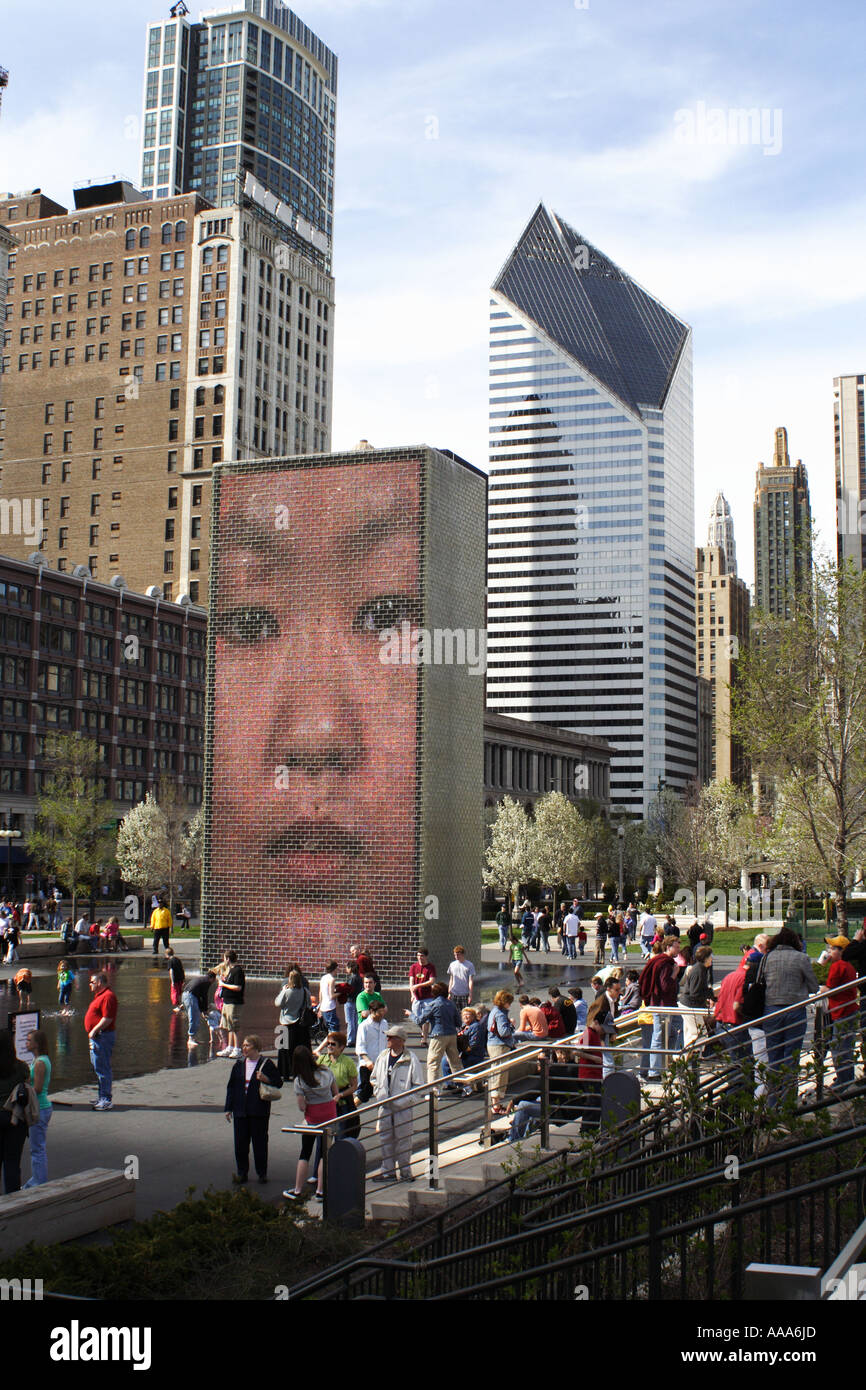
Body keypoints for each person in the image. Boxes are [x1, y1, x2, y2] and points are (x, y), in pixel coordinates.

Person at [762, 926, 819, 1107]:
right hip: (795, 1010)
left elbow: (760, 982)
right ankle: (788, 1103)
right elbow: (814, 987)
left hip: (771, 1010)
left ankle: (772, 1102)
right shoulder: (801, 958)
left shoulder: (767, 958)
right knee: (791, 1057)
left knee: (774, 1058)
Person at [224, 1034, 282, 1185]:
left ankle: (262, 1173)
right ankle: (242, 1172)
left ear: (256, 1048)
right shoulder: (239, 1064)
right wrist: (228, 1108)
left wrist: (266, 1079)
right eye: (243, 1045)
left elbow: (278, 1082)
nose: (244, 1048)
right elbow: (231, 1087)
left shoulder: (267, 1064)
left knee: (260, 1143)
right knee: (240, 1144)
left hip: (258, 1110)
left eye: (247, 1046)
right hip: (241, 1110)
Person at [283, 1045, 339, 1201]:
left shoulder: (300, 1080)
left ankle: (298, 1189)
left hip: (312, 1117)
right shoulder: (326, 1071)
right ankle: (321, 1191)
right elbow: (335, 1092)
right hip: (330, 1114)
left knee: (305, 1152)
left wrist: (309, 1102)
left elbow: (302, 1107)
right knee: (324, 1154)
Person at [371, 1025, 423, 1184]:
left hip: (403, 1108)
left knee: (403, 1140)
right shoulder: (382, 1056)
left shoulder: (411, 1058)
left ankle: (405, 1171)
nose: (387, 1039)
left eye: (391, 1037)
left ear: (400, 1040)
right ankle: (388, 1171)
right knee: (385, 1139)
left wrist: (406, 1101)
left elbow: (418, 1086)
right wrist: (378, 1092)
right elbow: (374, 1078)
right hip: (385, 1106)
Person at [639, 936, 684, 1081]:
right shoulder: (666, 964)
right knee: (658, 1036)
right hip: (663, 1005)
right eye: (676, 947)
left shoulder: (660, 961)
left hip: (663, 1004)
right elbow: (665, 986)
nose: (678, 950)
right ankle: (654, 1072)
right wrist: (675, 974)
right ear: (668, 947)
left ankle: (665, 1062)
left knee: (673, 1031)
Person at [820, 936, 859, 1092]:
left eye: (833, 948)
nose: (830, 951)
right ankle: (846, 1076)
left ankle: (843, 1080)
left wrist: (822, 988)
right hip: (849, 1010)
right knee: (846, 1045)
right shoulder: (849, 966)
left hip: (841, 1011)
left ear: (841, 951)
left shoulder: (837, 967)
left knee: (838, 1047)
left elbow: (830, 988)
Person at [411, 982, 462, 1085]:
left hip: (438, 1036)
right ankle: (465, 1087)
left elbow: (420, 1021)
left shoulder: (433, 1004)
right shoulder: (451, 1004)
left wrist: (410, 1014)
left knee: (433, 1063)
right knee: (455, 1063)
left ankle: (434, 1090)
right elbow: (458, 1023)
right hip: (452, 1035)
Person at [0, 1031, 29, 1193]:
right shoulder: (21, 1068)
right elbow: (27, 1082)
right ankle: (13, 1202)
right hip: (15, 1117)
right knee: (12, 1163)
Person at [316, 1031, 360, 1139]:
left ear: (341, 1047)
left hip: (342, 1103)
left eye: (333, 1044)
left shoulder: (347, 1062)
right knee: (323, 1137)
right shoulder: (322, 1060)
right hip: (325, 1101)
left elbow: (354, 1086)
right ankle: (323, 1156)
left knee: (341, 1135)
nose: (329, 1046)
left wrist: (340, 1095)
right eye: (328, 1044)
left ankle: (339, 1155)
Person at [22, 1028, 51, 1187]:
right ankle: (36, 1180)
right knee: (37, 1147)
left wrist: (22, 1090)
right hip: (39, 1107)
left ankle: (39, 1183)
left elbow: (38, 1088)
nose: (26, 1043)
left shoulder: (40, 1063)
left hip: (39, 1107)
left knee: (37, 1149)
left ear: (36, 1044)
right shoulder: (38, 1060)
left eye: (29, 1040)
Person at [85, 970, 118, 1111]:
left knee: (103, 1067)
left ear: (99, 982)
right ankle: (101, 1096)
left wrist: (94, 1030)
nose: (90, 985)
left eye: (92, 982)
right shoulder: (100, 996)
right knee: (98, 1066)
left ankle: (106, 1099)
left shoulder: (108, 997)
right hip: (98, 1037)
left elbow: (107, 1018)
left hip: (102, 1036)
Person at [275, 968, 313, 1078]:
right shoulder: (305, 991)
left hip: (286, 1022)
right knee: (299, 1049)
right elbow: (309, 1005)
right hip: (300, 1024)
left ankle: (285, 1072)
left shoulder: (287, 992)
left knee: (284, 1050)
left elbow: (277, 1003)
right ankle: (299, 1071)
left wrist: (282, 990)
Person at [679, 945, 716, 1049]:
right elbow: (695, 993)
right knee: (699, 1035)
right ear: (706, 958)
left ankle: (683, 1059)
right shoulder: (699, 970)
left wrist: (711, 996)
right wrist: (707, 997)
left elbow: (700, 990)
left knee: (691, 1034)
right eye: (710, 956)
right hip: (690, 1006)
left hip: (689, 1005)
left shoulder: (701, 969)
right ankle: (686, 1059)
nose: (712, 959)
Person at [487, 990, 517, 1114]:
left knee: (498, 1074)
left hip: (494, 1045)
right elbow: (504, 1032)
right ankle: (496, 1106)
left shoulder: (494, 1011)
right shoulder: (500, 1014)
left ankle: (496, 1104)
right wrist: (511, 1025)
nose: (510, 1004)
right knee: (498, 1075)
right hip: (499, 1046)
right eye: (509, 1002)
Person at [355, 999, 389, 1103]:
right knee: (365, 1091)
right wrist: (367, 1060)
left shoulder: (384, 1023)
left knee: (383, 1089)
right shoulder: (364, 1026)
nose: (382, 1015)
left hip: (382, 1063)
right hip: (367, 1064)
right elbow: (360, 1046)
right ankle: (349, 1110)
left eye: (383, 1012)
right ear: (372, 1011)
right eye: (379, 1012)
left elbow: (386, 1041)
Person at [219, 950, 246, 1058]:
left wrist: (223, 985)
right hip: (227, 1001)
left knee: (235, 1026)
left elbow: (238, 987)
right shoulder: (230, 970)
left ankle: (237, 1049)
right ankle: (230, 1047)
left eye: (224, 958)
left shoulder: (237, 971)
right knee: (229, 1026)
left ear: (228, 959)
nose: (223, 960)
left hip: (234, 1002)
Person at [182, 969, 216, 1051]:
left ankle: (193, 1037)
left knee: (194, 1017)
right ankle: (190, 1039)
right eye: (214, 980)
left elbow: (199, 995)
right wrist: (204, 1010)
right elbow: (204, 996)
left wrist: (203, 1010)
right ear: (212, 978)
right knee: (194, 1018)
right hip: (190, 997)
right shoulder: (207, 982)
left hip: (185, 995)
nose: (213, 982)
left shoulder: (201, 979)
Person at [408, 948, 436, 1042]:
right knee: (417, 1018)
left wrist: (418, 985)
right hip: (417, 997)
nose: (420, 958)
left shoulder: (430, 967)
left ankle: (424, 1039)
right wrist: (412, 994)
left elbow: (431, 981)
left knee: (426, 1019)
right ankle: (424, 1033)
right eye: (418, 955)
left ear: (426, 956)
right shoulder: (414, 967)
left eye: (422, 956)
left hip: (428, 997)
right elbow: (411, 982)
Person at [447, 946, 475, 1013]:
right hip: (454, 993)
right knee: (454, 1013)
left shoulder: (469, 965)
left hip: (464, 993)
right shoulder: (452, 964)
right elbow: (451, 979)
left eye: (458, 954)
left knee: (465, 1013)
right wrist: (449, 992)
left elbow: (470, 981)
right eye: (455, 955)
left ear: (462, 954)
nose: (456, 956)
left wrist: (470, 995)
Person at [344, 961, 363, 1048]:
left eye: (347, 967)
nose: (346, 969)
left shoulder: (352, 978)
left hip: (350, 1001)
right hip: (357, 1001)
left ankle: (350, 1039)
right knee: (355, 1020)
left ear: (350, 968)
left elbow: (348, 990)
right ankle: (355, 1038)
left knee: (350, 1021)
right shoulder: (359, 978)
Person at [318, 960, 340, 1034]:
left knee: (329, 1028)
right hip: (330, 1006)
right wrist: (341, 993)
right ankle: (333, 1043)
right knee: (334, 1028)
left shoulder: (323, 978)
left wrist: (320, 1007)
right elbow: (331, 996)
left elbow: (320, 993)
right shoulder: (332, 979)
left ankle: (330, 1043)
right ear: (334, 969)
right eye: (337, 968)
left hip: (323, 1006)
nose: (337, 970)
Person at [164, 947, 185, 1013]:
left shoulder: (170, 961)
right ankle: (182, 1004)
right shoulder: (177, 959)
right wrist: (183, 979)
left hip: (175, 980)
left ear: (166, 954)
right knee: (180, 992)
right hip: (180, 979)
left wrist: (172, 981)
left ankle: (178, 1006)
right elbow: (182, 969)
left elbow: (171, 971)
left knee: (174, 993)